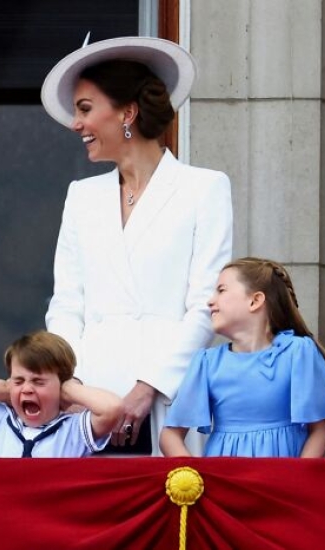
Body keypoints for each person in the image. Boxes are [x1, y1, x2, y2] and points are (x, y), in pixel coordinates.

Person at [40, 36, 233, 456]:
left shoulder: (204, 189)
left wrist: (150, 386)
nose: (76, 124)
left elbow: (205, 305)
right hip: (87, 403)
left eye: (85, 109)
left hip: (169, 398)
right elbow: (67, 304)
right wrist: (71, 385)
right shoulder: (81, 196)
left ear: (127, 112)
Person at [160, 257, 325, 457]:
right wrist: (195, 480)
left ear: (255, 301)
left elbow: (320, 431)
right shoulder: (207, 363)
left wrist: (296, 481)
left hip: (281, 481)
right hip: (225, 481)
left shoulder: (298, 352)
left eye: (221, 290)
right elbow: (170, 436)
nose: (210, 301)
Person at [0, 330, 122, 458]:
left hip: (50, 516)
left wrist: (68, 390)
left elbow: (113, 408)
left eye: (38, 382)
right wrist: (5, 391)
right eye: (19, 380)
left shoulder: (73, 430)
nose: (27, 389)